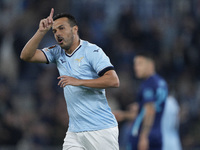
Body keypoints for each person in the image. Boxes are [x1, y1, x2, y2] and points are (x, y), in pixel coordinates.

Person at [20, 8, 120, 150]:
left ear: (74, 29)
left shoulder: (92, 51)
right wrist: (41, 31)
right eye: (54, 31)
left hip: (100, 129)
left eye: (61, 28)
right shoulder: (56, 52)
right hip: (74, 131)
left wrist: (79, 82)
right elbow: (26, 56)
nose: (58, 34)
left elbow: (113, 80)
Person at [114, 51, 168, 150]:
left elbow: (149, 110)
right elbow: (145, 112)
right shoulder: (161, 82)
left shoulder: (149, 84)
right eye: (135, 64)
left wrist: (144, 137)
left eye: (140, 64)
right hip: (156, 133)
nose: (136, 67)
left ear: (150, 64)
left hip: (142, 135)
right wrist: (125, 115)